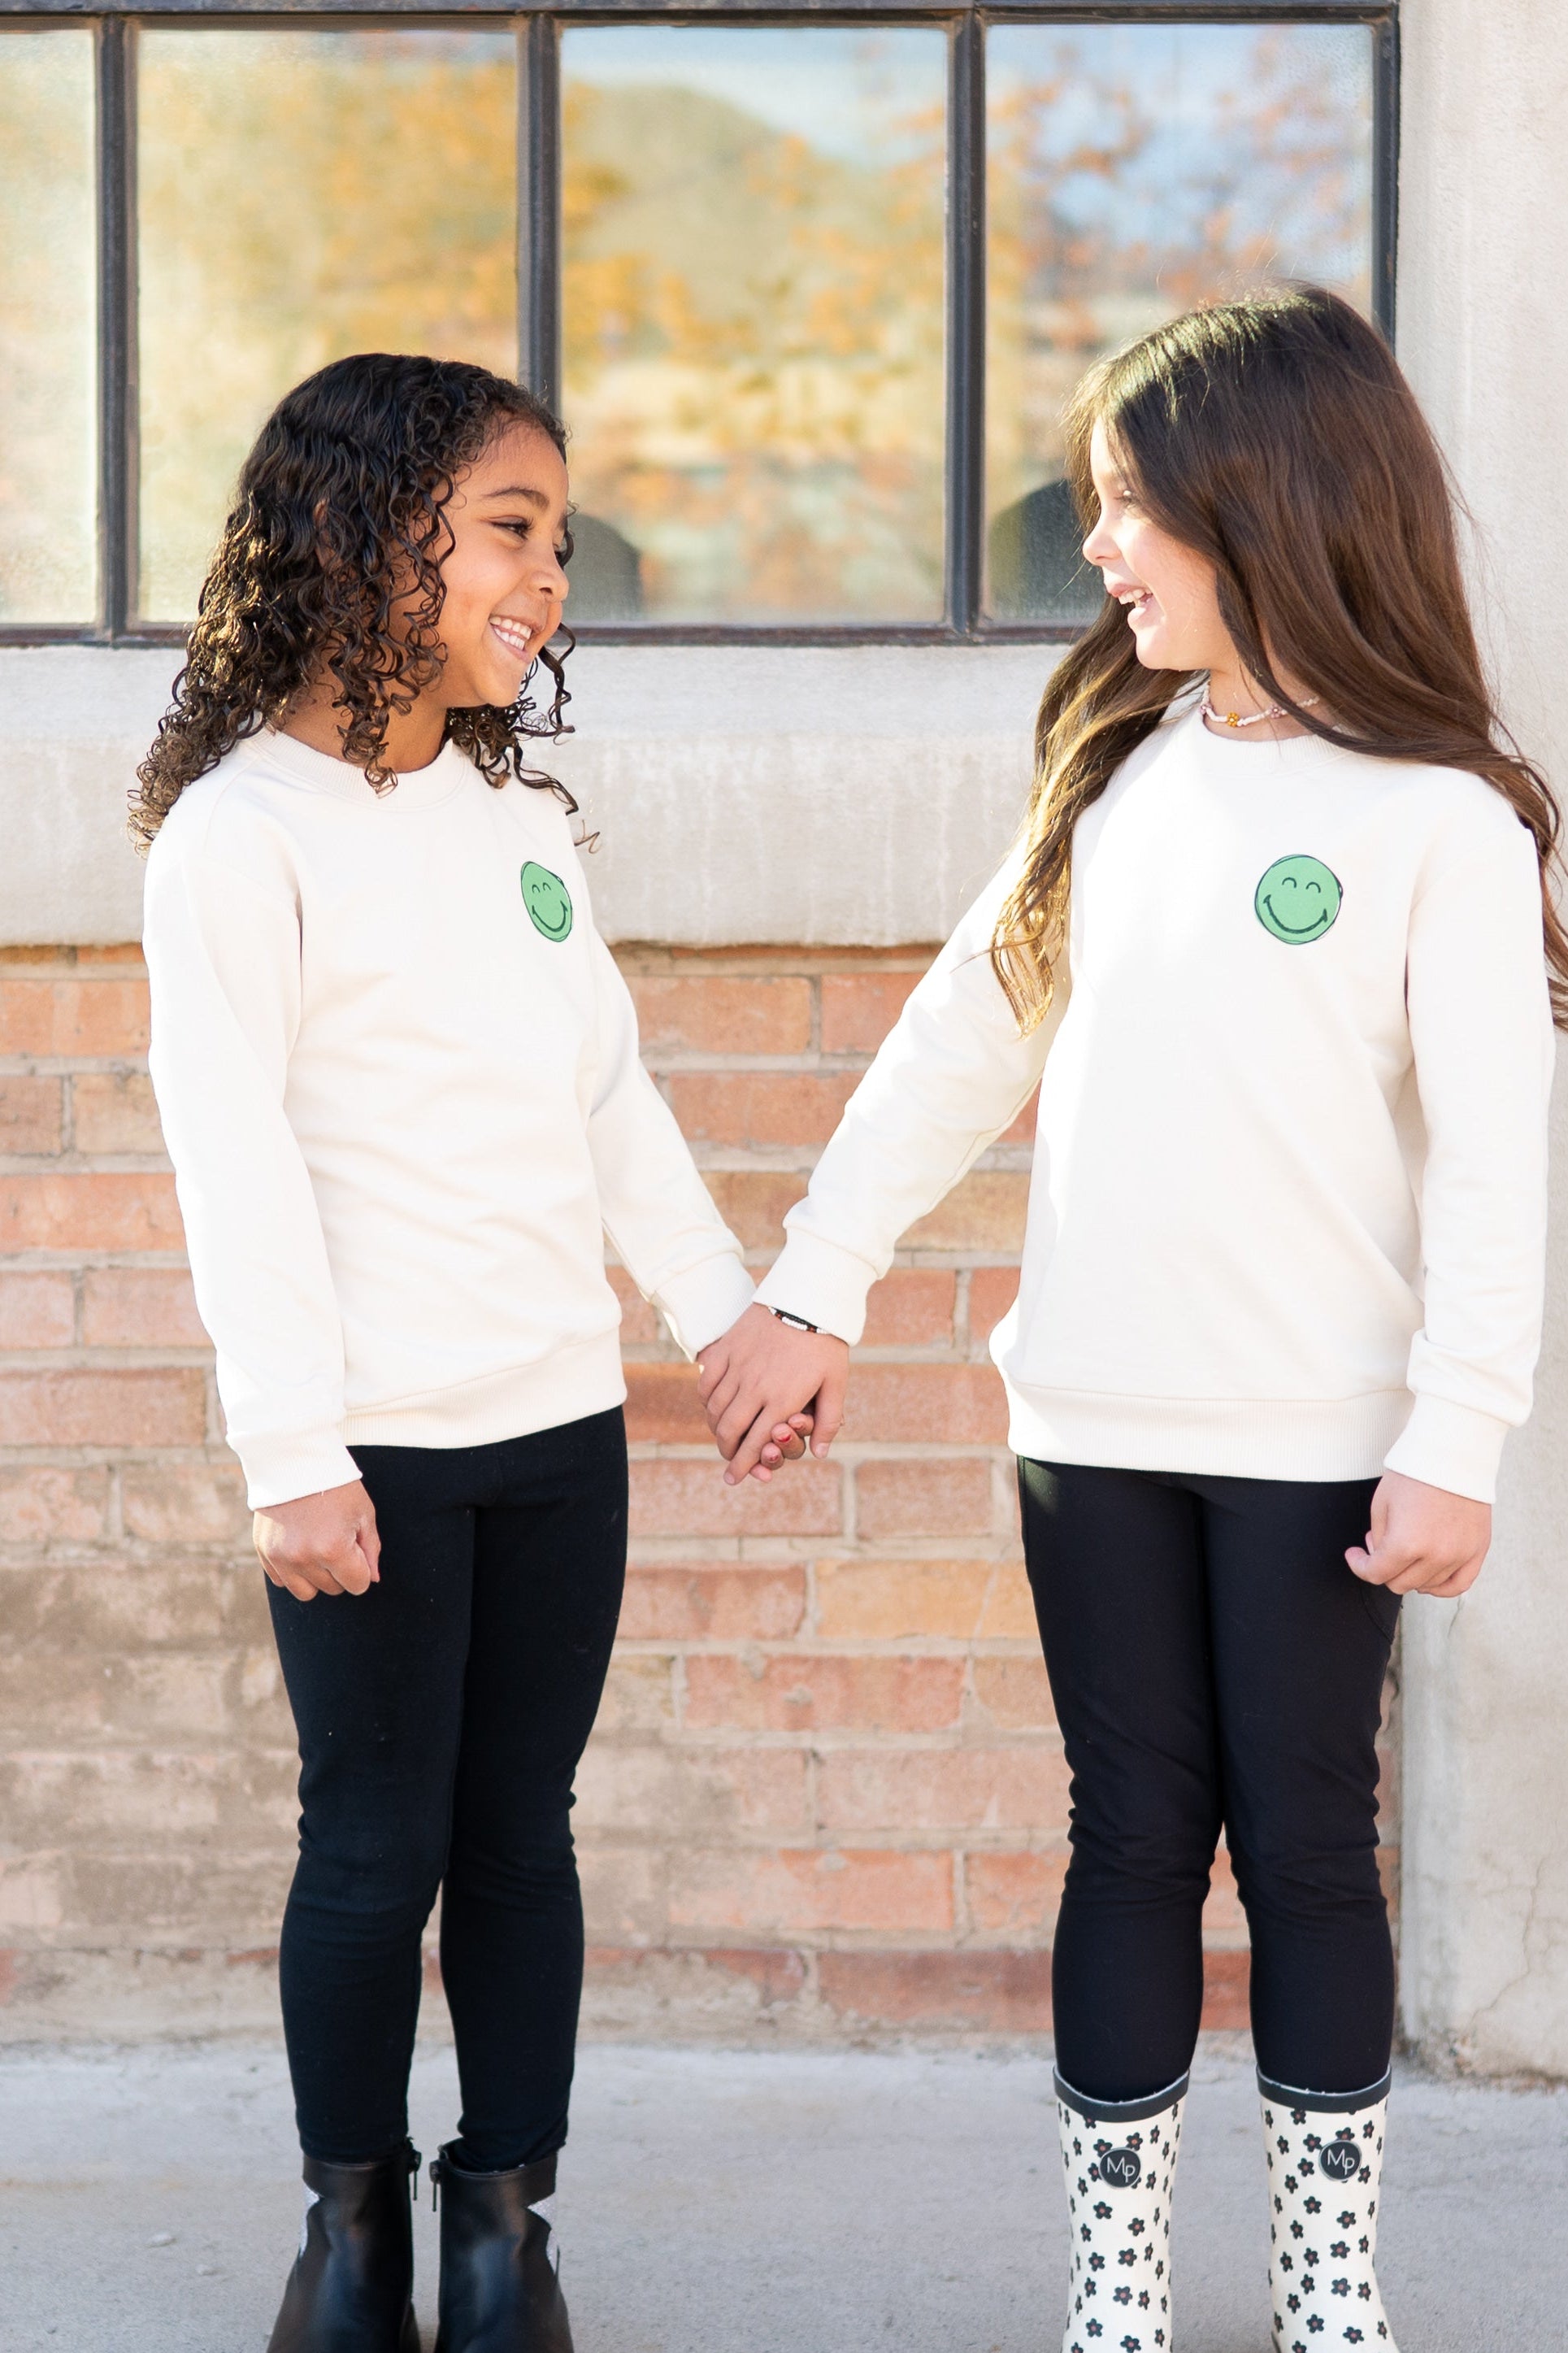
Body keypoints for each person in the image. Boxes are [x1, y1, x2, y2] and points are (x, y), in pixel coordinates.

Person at [695, 287, 1563, 2353]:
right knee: (1125, 1838)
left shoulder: (1434, 817)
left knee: (1309, 1852)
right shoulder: (1114, 773)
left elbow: (1493, 1166)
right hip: (1087, 1419)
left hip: (1316, 1442)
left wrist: (1463, 1429)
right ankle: (1119, 2297)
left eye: (1122, 507)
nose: (1095, 548)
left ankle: (1329, 2297)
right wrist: (815, 1283)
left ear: (1255, 506)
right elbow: (947, 1049)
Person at [134, 353, 798, 2353]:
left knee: (521, 1837)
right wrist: (289, 1453)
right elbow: (229, 1169)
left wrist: (722, 1315)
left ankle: (501, 2218)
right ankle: (352, 2241)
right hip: (376, 1448)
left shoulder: (520, 826)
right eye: (511, 531)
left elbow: (606, 1099)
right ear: (364, 531)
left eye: (560, 544)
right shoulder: (238, 838)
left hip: (554, 1424)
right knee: (373, 1841)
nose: (548, 582)